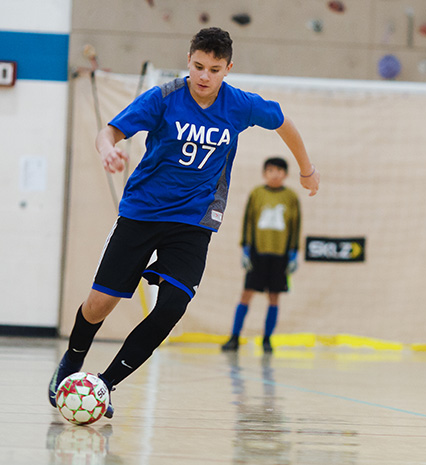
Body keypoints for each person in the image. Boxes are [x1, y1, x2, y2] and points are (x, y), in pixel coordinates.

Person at [48, 27, 321, 418]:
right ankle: (72, 363)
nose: (204, 76)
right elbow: (110, 131)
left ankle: (103, 386)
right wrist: (109, 149)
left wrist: (307, 169)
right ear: (188, 60)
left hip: (194, 221)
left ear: (228, 68)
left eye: (214, 69)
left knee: (173, 305)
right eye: (197, 66)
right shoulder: (164, 98)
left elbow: (283, 122)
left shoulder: (241, 105)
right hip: (142, 212)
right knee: (99, 304)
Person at [221, 156, 300, 353]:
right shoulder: (256, 193)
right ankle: (234, 337)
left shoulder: (291, 197)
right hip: (257, 253)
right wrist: (246, 249)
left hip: (280, 255)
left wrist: (293, 253)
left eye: (280, 171)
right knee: (246, 294)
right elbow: (248, 220)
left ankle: (267, 340)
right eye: (271, 170)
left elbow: (295, 225)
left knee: (274, 297)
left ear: (286, 174)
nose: (275, 174)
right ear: (265, 173)